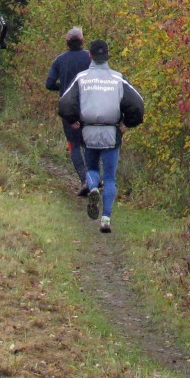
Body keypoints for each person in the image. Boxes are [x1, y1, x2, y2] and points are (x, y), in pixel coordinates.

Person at [57, 39, 144, 233]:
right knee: (110, 177)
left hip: (88, 131)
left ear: (90, 56)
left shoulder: (82, 78)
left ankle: (93, 188)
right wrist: (127, 123)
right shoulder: (117, 79)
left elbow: (64, 103)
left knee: (92, 168)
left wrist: (73, 120)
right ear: (108, 56)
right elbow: (138, 104)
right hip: (111, 132)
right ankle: (106, 219)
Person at [45, 26, 93, 196]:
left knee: (74, 144)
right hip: (90, 105)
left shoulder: (59, 60)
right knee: (89, 143)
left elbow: (49, 84)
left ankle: (84, 179)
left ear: (67, 42)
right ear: (83, 41)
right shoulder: (91, 58)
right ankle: (94, 178)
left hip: (69, 107)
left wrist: (63, 87)